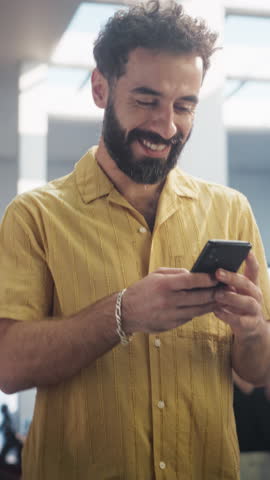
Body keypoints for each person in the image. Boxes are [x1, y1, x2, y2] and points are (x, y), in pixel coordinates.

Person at [0, 1, 270, 479]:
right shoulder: (33, 216)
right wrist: (125, 313)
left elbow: (257, 370)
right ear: (100, 88)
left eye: (184, 105)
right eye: (146, 100)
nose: (167, 127)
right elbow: (8, 364)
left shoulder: (231, 213)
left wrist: (253, 331)